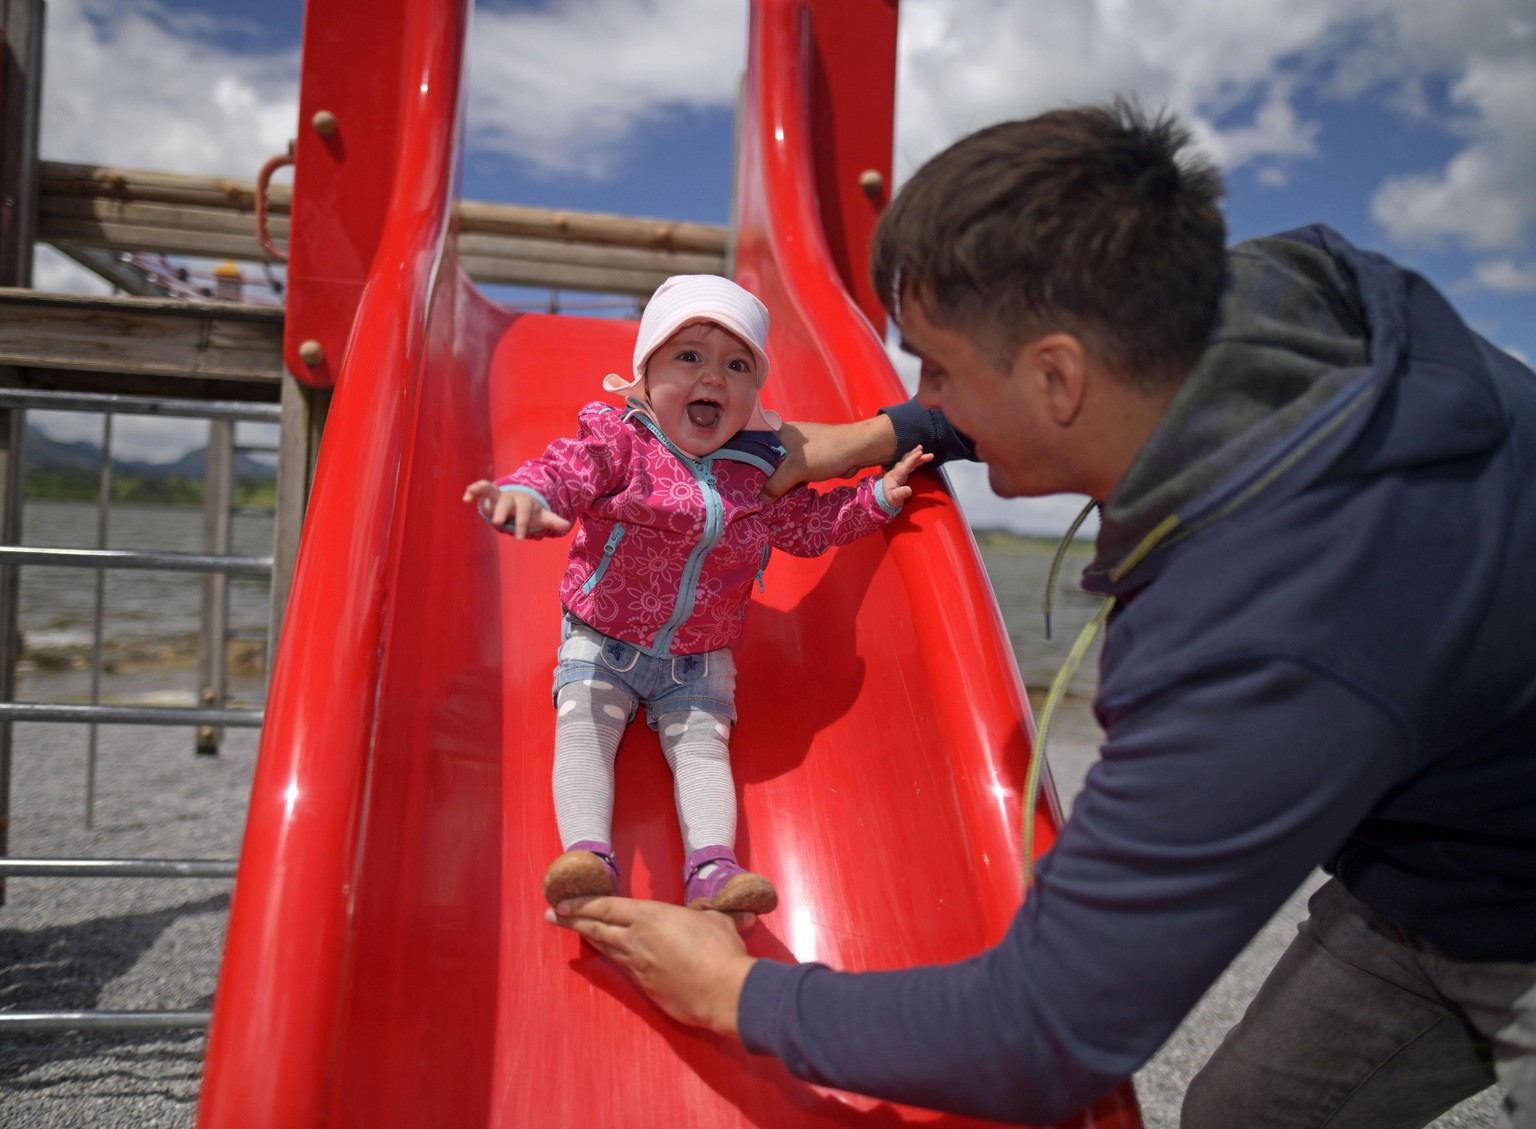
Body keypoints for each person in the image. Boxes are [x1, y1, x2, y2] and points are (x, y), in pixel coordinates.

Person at [544, 102, 1536, 1127]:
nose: (929, 391)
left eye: (934, 367)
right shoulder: (1282, 295)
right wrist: (878, 436)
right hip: (1438, 838)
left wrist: (737, 992)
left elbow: (1051, 1028)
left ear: (1057, 375)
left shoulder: (1273, 628)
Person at [465, 274, 930, 919]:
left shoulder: (757, 471)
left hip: (700, 654)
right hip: (602, 636)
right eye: (689, 356)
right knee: (583, 726)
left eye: (737, 365)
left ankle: (713, 869)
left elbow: (806, 528)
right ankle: (587, 859)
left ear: (753, 394)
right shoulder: (619, 443)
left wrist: (875, 500)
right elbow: (566, 471)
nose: (713, 377)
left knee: (703, 748)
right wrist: (531, 496)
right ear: (645, 375)